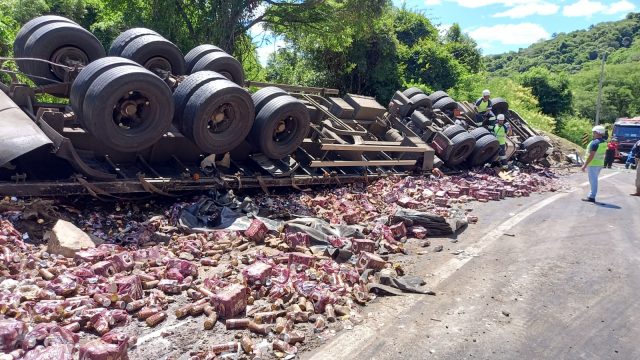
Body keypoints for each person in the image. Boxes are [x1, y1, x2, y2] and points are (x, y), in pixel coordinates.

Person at [581, 125, 607, 203]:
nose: (593, 134)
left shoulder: (595, 143)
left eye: (594, 132)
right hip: (599, 164)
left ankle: (592, 196)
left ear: (597, 132)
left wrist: (584, 165)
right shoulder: (604, 142)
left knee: (593, 181)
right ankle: (591, 195)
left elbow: (591, 155)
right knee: (594, 180)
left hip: (593, 164)